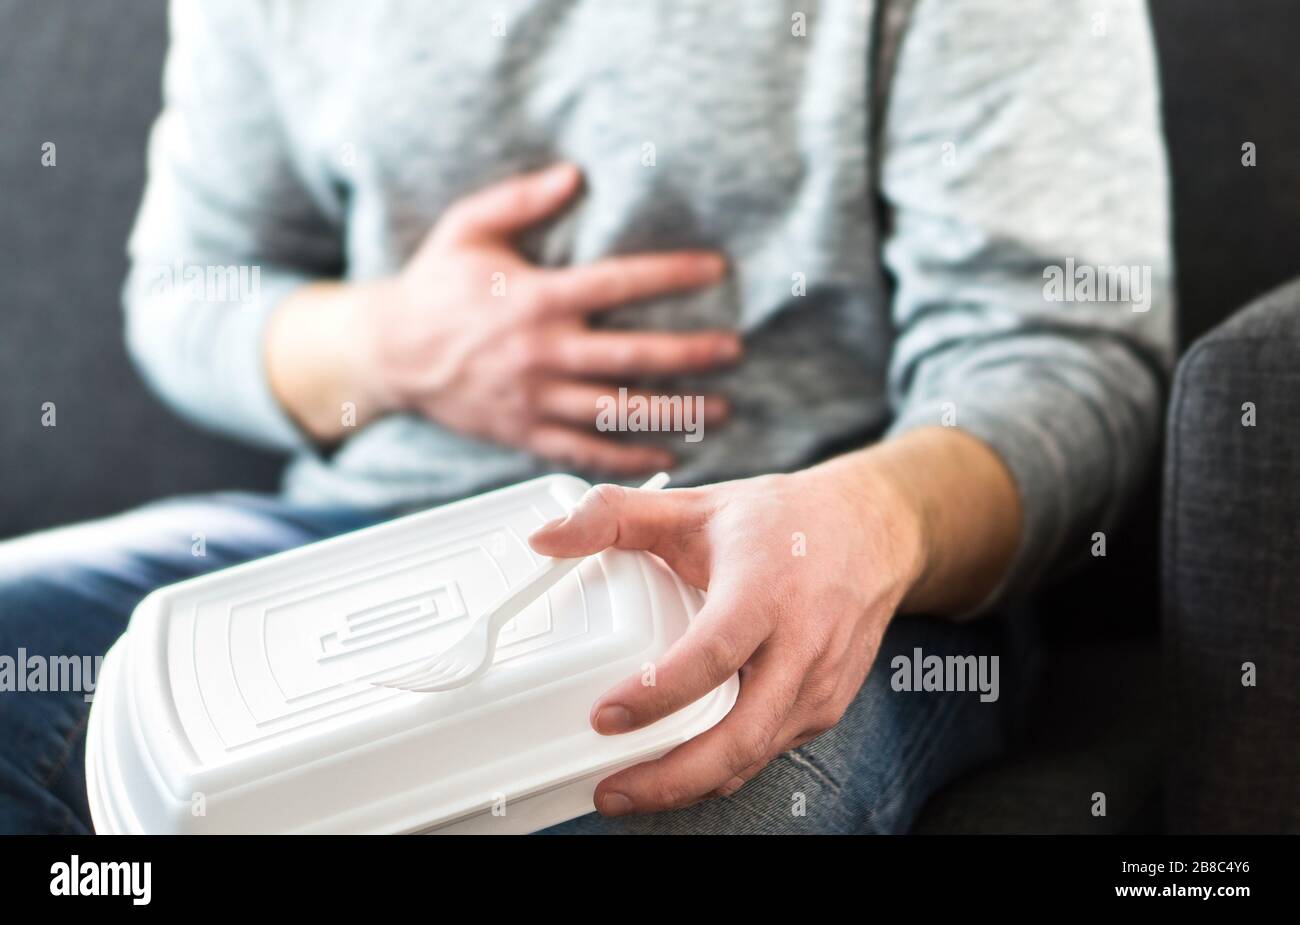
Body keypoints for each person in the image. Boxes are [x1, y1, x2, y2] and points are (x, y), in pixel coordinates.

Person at [0, 0, 1171, 834]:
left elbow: (1065, 358)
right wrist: (391, 344)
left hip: (795, 553)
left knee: (671, 799)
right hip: (360, 541)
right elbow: (191, 289)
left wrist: (864, 517)